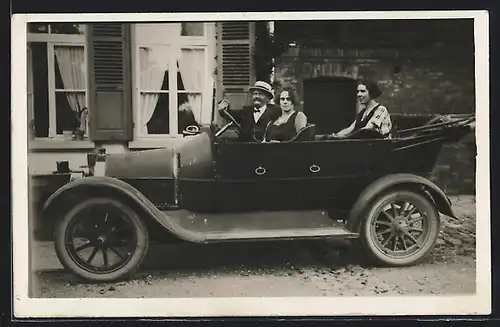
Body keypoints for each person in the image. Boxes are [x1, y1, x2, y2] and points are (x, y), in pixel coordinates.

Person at [217, 81, 281, 142]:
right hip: (246, 149)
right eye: (255, 94)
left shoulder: (275, 111)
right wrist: (224, 103)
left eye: (260, 94)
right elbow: (229, 114)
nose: (257, 96)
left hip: (266, 149)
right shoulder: (246, 111)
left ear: (267, 98)